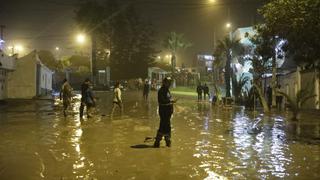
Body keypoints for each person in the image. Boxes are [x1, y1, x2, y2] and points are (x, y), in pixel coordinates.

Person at [154, 77, 177, 148]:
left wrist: (171, 102)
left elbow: (168, 99)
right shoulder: (161, 91)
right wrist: (170, 101)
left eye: (170, 82)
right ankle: (160, 141)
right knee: (164, 126)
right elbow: (161, 101)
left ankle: (164, 141)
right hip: (164, 112)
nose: (169, 84)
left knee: (166, 126)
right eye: (168, 82)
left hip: (168, 112)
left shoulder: (167, 90)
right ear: (164, 82)